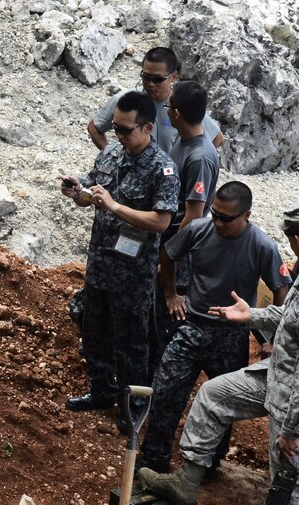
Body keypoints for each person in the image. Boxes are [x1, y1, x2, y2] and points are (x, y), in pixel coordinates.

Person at [139, 203, 299, 505]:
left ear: (297, 239)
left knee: (287, 478)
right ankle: (187, 483)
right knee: (214, 396)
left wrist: (292, 432)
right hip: (280, 374)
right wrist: (251, 314)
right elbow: (293, 317)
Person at [138, 181, 291, 475]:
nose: (218, 222)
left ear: (246, 215)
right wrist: (171, 294)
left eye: (226, 218)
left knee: (222, 404)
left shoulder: (262, 246)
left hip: (230, 336)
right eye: (215, 213)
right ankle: (154, 459)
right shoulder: (199, 230)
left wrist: (273, 337)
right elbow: (168, 255)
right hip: (192, 326)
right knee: (166, 392)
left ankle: (207, 464)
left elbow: (282, 291)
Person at [60, 90, 180, 429]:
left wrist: (115, 206)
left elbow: (161, 221)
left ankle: (134, 404)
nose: (118, 136)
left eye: (126, 130)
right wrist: (77, 191)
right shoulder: (112, 154)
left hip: (133, 274)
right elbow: (91, 194)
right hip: (100, 264)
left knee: (131, 342)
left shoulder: (163, 169)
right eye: (115, 128)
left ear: (148, 128)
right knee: (95, 331)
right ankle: (101, 391)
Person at [150, 80, 222, 375]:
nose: (166, 112)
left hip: (180, 246)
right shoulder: (183, 141)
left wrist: (170, 257)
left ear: (176, 113)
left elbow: (193, 214)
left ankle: (162, 378)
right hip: (167, 240)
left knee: (169, 313)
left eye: (168, 107)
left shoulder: (201, 156)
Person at [87, 47, 224, 154]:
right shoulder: (125, 100)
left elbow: (217, 138)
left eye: (157, 79)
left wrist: (189, 167)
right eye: (145, 77)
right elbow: (95, 127)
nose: (150, 84)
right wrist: (111, 158)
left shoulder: (182, 104)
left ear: (173, 77)